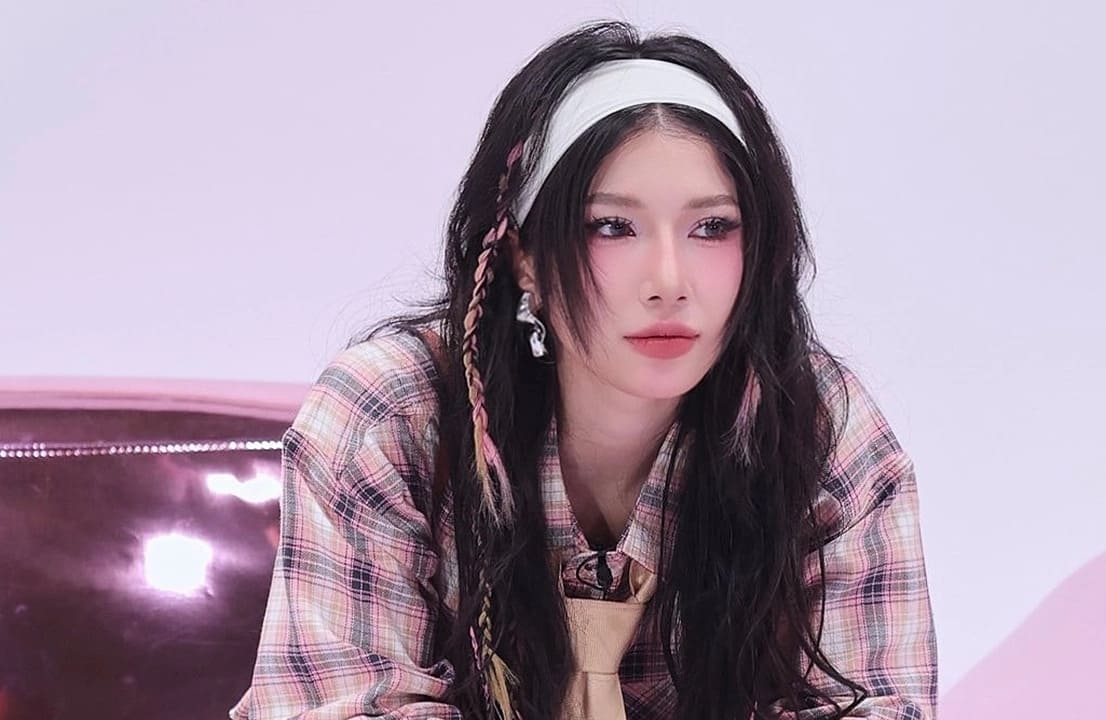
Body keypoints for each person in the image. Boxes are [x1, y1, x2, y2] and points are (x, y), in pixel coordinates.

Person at [230, 20, 938, 720]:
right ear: (524, 257)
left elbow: (879, 705)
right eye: (612, 227)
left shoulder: (813, 425)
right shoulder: (392, 418)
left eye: (712, 227)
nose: (669, 282)